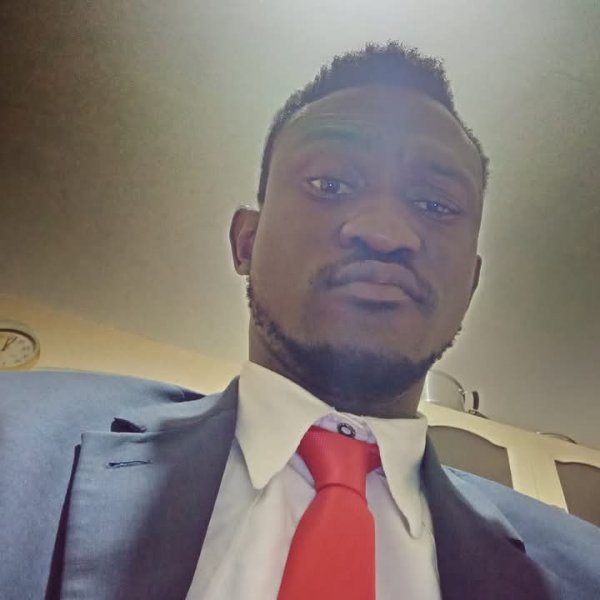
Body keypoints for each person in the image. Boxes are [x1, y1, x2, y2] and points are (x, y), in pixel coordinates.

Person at [1, 42, 598, 600]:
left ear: (470, 282)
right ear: (246, 242)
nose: (385, 232)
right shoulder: (17, 434)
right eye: (329, 183)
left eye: (436, 204)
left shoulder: (584, 568)